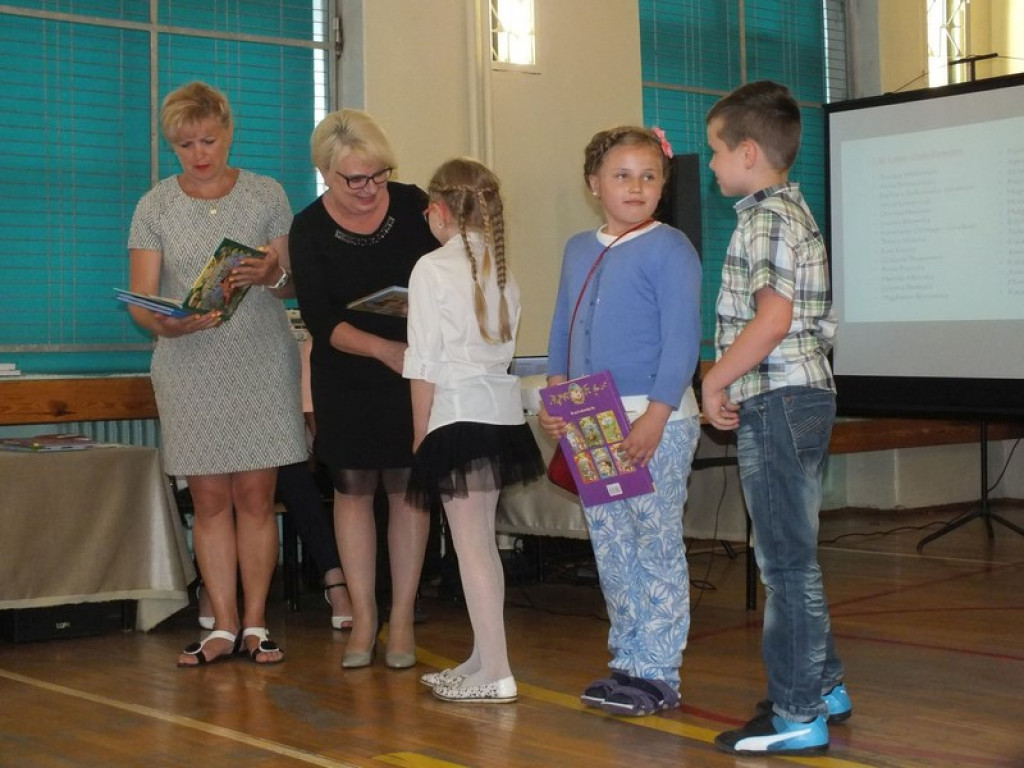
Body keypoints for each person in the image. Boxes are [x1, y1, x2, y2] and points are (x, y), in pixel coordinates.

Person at [127, 81, 307, 666]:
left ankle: (256, 623)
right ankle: (222, 625)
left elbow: (291, 286)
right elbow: (142, 301)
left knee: (256, 497)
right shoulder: (154, 205)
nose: (199, 153)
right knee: (208, 500)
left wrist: (270, 274)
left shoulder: (266, 193)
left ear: (228, 132)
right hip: (188, 364)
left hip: (260, 358)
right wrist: (167, 324)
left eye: (208, 140)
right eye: (185, 144)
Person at [701, 80, 850, 757]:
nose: (710, 164)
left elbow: (773, 318)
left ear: (748, 153)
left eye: (715, 150)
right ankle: (825, 684)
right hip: (806, 396)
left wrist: (715, 378)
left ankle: (797, 713)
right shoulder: (795, 208)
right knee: (795, 553)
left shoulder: (762, 219)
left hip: (778, 400)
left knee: (785, 564)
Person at [539, 127, 702, 716]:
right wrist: (556, 395)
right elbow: (563, 324)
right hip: (590, 416)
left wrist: (657, 414)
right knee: (611, 544)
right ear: (594, 184)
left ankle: (659, 671)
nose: (636, 187)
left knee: (655, 542)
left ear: (663, 184)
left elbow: (683, 338)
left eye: (649, 176)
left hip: (655, 420)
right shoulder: (578, 248)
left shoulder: (671, 248)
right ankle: (628, 660)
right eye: (622, 175)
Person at [289, 109, 437, 669]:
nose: (370, 188)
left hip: (413, 372)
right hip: (348, 371)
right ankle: (365, 618)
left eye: (378, 175)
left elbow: (454, 269)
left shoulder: (415, 205)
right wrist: (383, 349)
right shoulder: (308, 228)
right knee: (352, 490)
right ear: (325, 173)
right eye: (355, 179)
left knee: (406, 488)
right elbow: (320, 318)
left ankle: (401, 618)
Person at [404, 157, 543, 704]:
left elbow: (423, 362)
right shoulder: (501, 268)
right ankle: (485, 659)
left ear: (439, 210)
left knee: (472, 548)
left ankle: (497, 672)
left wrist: (420, 434)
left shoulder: (430, 268)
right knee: (481, 543)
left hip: (457, 416)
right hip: (499, 417)